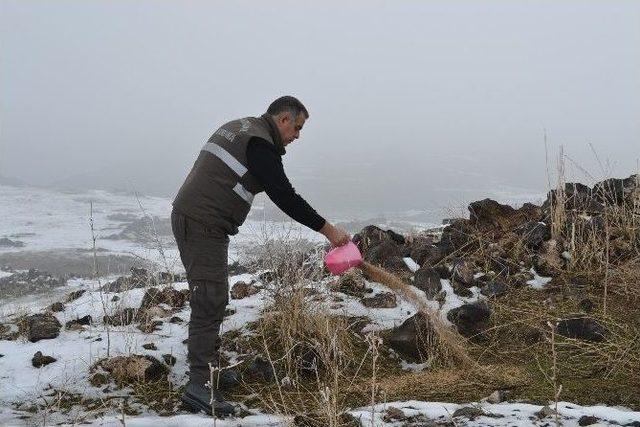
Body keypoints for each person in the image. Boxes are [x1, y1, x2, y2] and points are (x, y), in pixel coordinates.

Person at [171, 95, 350, 416]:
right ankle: (198, 386)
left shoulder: (242, 128)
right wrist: (328, 230)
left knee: (213, 296)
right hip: (202, 222)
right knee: (209, 298)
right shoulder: (259, 144)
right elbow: (284, 194)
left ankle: (208, 371)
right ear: (282, 120)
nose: (297, 136)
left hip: (197, 217)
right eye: (296, 127)